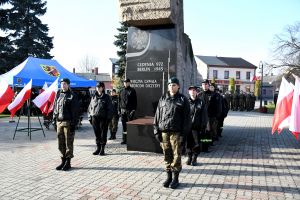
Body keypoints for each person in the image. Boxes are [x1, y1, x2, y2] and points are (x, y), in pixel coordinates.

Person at [153, 77, 191, 189]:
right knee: (166, 155)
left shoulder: (183, 100)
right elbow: (157, 115)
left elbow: (187, 120)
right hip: (164, 132)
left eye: (174, 85)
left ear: (178, 86)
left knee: (176, 156)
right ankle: (168, 177)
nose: (171, 87)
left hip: (176, 133)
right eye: (169, 85)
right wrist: (156, 131)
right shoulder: (163, 98)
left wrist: (184, 135)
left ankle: (175, 179)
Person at [53, 78, 79, 171]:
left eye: (64, 84)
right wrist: (54, 119)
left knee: (69, 143)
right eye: (61, 84)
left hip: (68, 122)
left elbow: (75, 111)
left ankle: (68, 162)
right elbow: (55, 107)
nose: (63, 85)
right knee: (60, 143)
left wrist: (73, 123)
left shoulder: (72, 95)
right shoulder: (58, 94)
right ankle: (62, 161)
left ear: (68, 85)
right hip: (59, 122)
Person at [88, 82, 113, 156]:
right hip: (94, 118)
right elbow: (90, 108)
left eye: (100, 87)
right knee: (97, 134)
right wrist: (90, 117)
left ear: (103, 88)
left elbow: (110, 109)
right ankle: (98, 148)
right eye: (97, 87)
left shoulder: (106, 97)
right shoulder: (93, 97)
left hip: (103, 119)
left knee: (103, 134)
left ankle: (102, 149)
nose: (98, 88)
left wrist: (108, 119)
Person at [186, 86, 208, 166]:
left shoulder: (201, 102)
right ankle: (189, 157)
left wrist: (203, 126)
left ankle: (194, 158)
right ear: (189, 92)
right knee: (188, 143)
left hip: (197, 127)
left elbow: (204, 115)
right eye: (191, 90)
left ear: (196, 92)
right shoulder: (186, 102)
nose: (192, 92)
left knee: (196, 143)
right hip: (188, 127)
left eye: (194, 90)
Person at [119, 78, 137, 145]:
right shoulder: (121, 91)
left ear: (129, 83)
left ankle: (130, 140)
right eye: (124, 82)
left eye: (126, 82)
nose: (125, 83)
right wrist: (119, 110)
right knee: (124, 126)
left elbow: (135, 101)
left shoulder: (132, 90)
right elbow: (119, 101)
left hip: (130, 111)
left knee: (130, 126)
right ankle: (124, 140)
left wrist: (133, 110)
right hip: (123, 111)